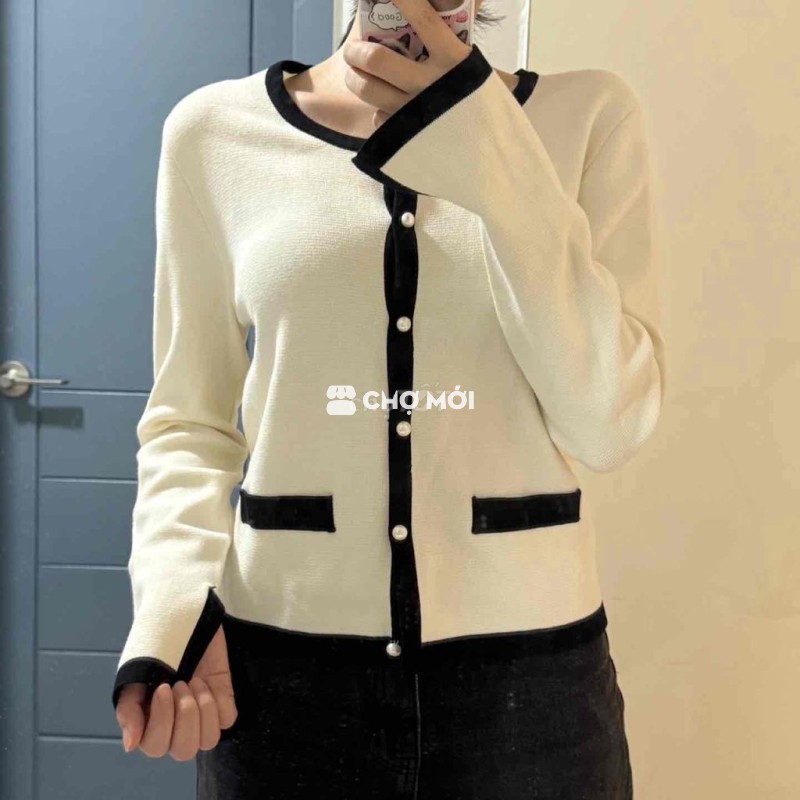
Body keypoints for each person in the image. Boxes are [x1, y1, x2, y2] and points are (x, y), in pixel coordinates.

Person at [113, 0, 665, 797]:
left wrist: (495, 151)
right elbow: (187, 422)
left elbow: (610, 423)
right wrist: (174, 608)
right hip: (282, 680)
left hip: (531, 688)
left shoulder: (588, 117)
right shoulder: (215, 133)